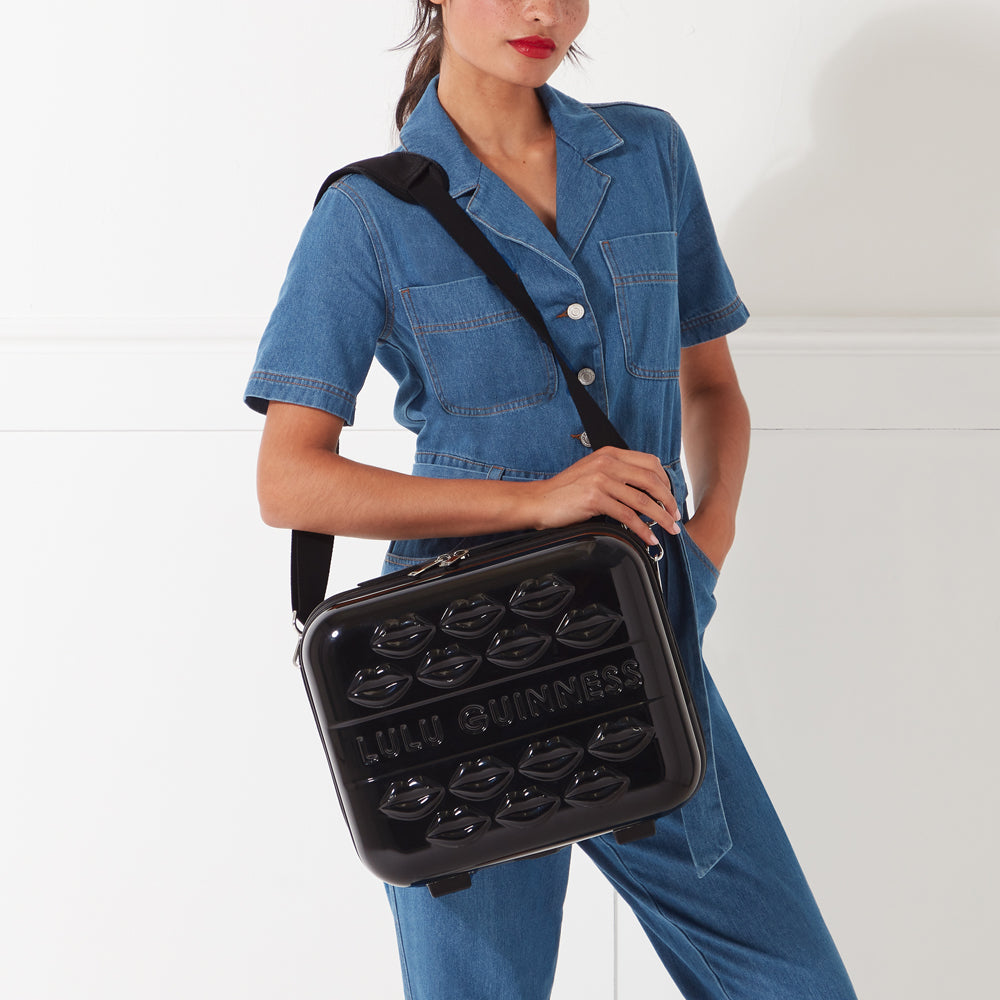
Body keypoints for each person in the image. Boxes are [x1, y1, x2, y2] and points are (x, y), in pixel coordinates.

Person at [245, 2, 858, 998]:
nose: (542, 11)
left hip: (650, 646)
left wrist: (706, 547)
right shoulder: (366, 215)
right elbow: (289, 478)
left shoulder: (646, 152)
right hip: (455, 683)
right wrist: (537, 503)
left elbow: (710, 388)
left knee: (792, 981)